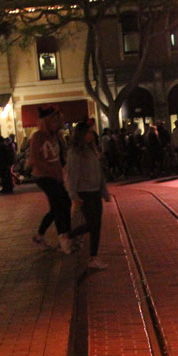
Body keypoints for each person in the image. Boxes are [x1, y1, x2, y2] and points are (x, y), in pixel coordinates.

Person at [66, 119, 110, 270]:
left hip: (95, 191)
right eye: (89, 131)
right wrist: (74, 194)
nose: (92, 134)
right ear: (82, 134)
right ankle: (69, 236)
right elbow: (73, 175)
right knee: (93, 224)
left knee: (96, 225)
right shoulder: (75, 153)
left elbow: (99, 172)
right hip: (85, 192)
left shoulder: (91, 150)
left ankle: (93, 256)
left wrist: (104, 191)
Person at [28, 106, 72, 254]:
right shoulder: (38, 137)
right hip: (43, 176)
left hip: (56, 176)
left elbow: (60, 158)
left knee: (62, 204)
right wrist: (51, 171)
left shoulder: (56, 136)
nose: (56, 122)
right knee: (60, 205)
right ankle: (64, 239)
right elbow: (34, 159)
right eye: (53, 120)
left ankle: (40, 237)